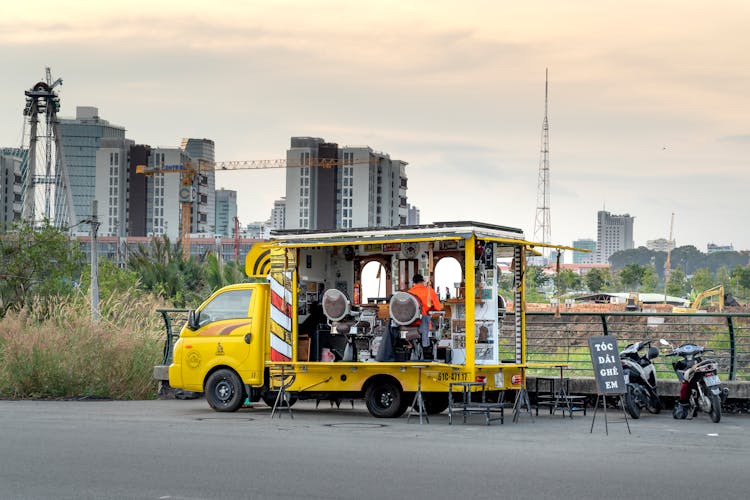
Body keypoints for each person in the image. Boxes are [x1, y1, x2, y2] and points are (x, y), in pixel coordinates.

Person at [408, 274, 443, 350]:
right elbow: (438, 308)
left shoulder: (409, 293)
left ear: (413, 283)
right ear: (423, 282)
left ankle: (412, 347)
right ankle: (427, 349)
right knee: (430, 321)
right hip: (424, 323)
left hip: (410, 323)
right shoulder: (429, 291)